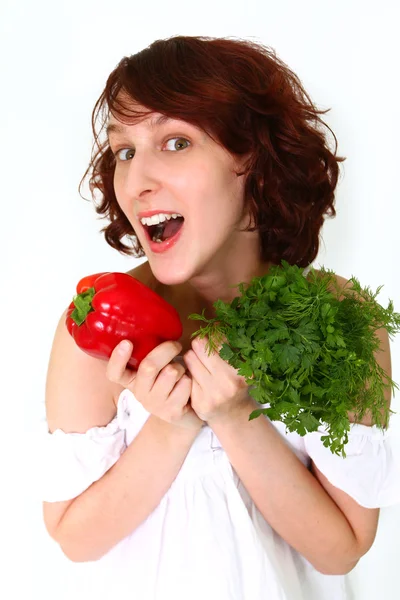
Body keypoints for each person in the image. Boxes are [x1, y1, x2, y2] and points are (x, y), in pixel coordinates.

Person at [40, 35, 400, 600]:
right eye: (125, 151)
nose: (135, 181)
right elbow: (74, 538)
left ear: (252, 159)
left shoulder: (338, 318)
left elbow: (341, 550)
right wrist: (171, 426)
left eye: (176, 141)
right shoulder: (94, 327)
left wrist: (235, 418)